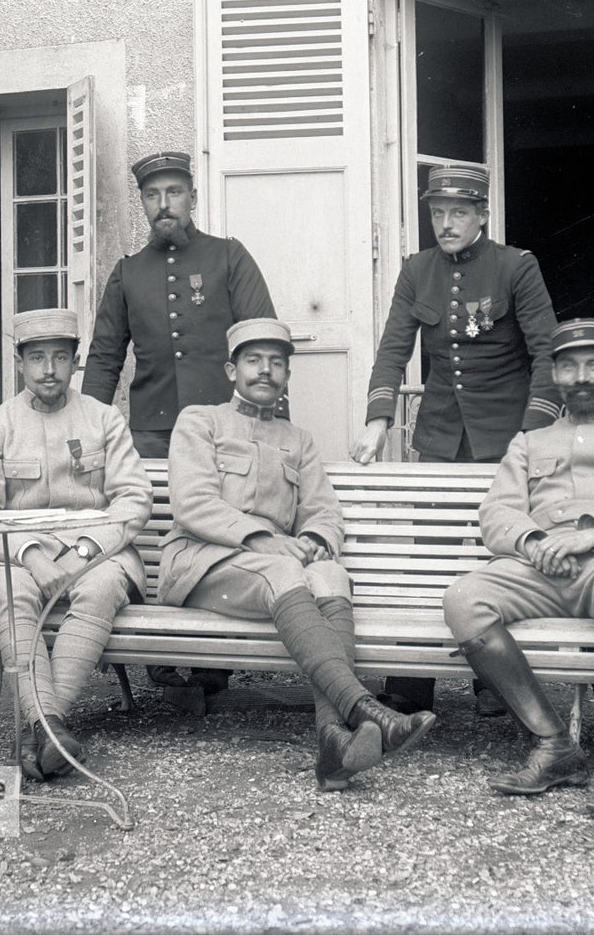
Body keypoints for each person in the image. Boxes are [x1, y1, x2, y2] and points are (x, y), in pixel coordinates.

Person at [159, 317, 437, 790]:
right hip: (200, 562)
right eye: (253, 361)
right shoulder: (200, 421)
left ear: (287, 374)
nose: (265, 371)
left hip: (275, 569)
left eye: (276, 363)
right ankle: (367, 710)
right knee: (285, 568)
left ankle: (334, 740)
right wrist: (265, 540)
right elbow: (193, 504)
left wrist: (316, 540)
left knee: (331, 574)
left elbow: (324, 510)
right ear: (232, 370)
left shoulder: (298, 439)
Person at [442, 318, 594, 817]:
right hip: (543, 569)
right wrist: (532, 542)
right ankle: (555, 746)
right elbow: (497, 513)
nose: (582, 377)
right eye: (570, 366)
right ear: (555, 376)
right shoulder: (529, 443)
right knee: (464, 598)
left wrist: (592, 534)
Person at [352, 163, 562, 716]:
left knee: (497, 556)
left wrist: (532, 435)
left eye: (458, 213)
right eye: (438, 213)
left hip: (505, 439)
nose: (446, 224)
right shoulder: (416, 271)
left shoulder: (516, 267)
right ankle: (410, 684)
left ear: (482, 215)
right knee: (428, 552)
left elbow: (547, 353)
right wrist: (377, 418)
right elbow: (394, 348)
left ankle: (493, 682)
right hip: (442, 437)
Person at [83, 149, 280, 694]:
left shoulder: (228, 257)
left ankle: (211, 662)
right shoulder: (127, 273)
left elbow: (263, 338)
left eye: (174, 192)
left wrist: (269, 426)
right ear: (143, 202)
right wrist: (87, 430)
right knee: (151, 537)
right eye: (153, 195)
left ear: (192, 196)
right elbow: (104, 357)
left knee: (221, 532)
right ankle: (161, 655)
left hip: (225, 429)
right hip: (152, 428)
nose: (164, 204)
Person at [0, 308, 153, 782]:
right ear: (20, 363)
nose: (49, 369)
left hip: (97, 551)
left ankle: (43, 728)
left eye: (60, 358)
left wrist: (83, 554)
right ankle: (50, 729)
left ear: (76, 362)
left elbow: (133, 500)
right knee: (11, 591)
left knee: (102, 587)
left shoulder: (104, 419)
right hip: (13, 551)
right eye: (37, 358)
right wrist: (29, 553)